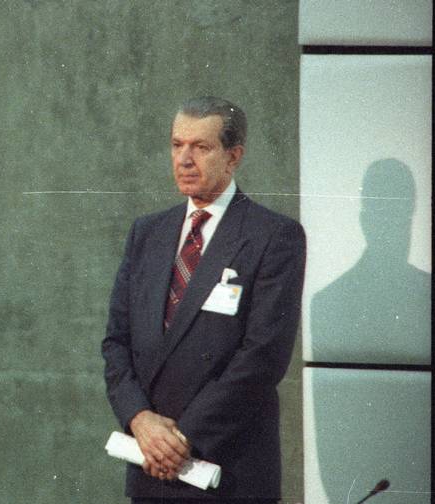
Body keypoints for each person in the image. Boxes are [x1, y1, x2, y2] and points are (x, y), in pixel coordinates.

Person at [101, 96, 305, 503]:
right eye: (177, 145)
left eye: (201, 147)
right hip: (151, 467)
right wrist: (140, 420)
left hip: (224, 470)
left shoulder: (273, 237)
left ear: (234, 157)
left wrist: (182, 439)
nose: (185, 159)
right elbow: (116, 343)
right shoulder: (147, 233)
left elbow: (262, 359)